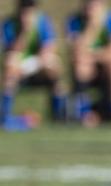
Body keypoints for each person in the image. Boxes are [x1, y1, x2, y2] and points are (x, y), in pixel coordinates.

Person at [1, 0, 65, 130]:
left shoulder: (43, 22)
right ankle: (4, 117)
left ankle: (60, 117)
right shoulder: (9, 24)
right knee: (11, 65)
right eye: (24, 8)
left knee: (53, 65)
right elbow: (12, 51)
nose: (27, 12)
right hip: (19, 66)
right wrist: (24, 32)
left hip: (37, 65)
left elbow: (49, 47)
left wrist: (41, 58)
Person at [66, 0, 111, 126]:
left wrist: (92, 56)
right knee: (81, 67)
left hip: (105, 66)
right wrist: (93, 27)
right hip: (89, 66)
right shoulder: (75, 21)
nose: (91, 6)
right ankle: (83, 113)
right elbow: (76, 52)